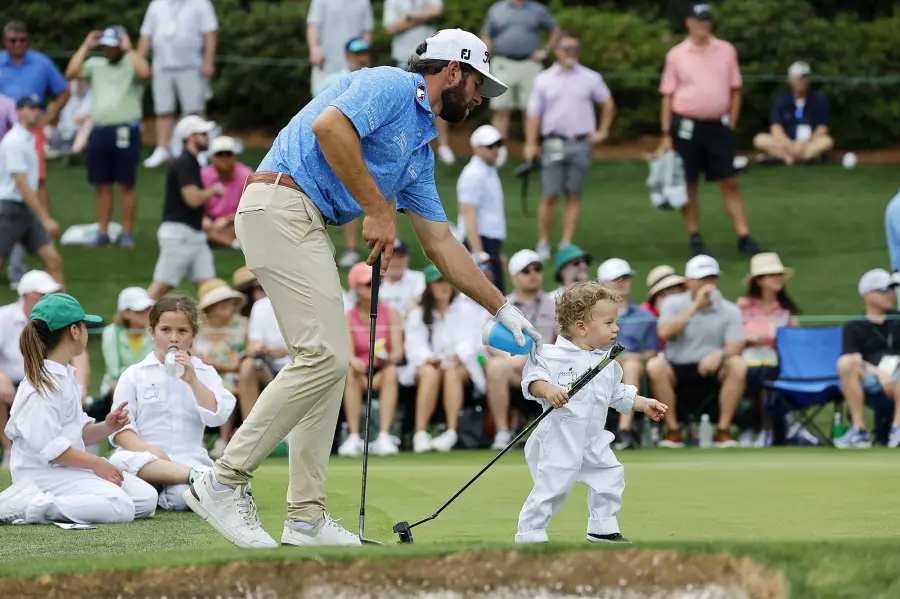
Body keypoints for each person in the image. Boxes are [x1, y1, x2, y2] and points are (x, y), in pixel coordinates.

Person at [182, 27, 540, 549]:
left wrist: (502, 307)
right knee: (324, 358)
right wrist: (376, 207)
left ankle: (305, 517)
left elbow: (441, 244)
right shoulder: (393, 85)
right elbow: (331, 127)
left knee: (329, 365)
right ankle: (223, 481)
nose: (481, 98)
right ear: (454, 71)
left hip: (300, 219)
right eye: (479, 84)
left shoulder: (419, 148)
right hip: (279, 204)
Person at [515, 281, 667, 544]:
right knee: (552, 488)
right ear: (582, 327)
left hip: (594, 438)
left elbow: (616, 394)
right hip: (560, 439)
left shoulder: (607, 363)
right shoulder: (550, 356)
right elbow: (533, 382)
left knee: (610, 475)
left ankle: (602, 526)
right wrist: (548, 390)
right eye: (609, 323)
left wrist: (643, 404)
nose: (616, 328)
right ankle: (530, 532)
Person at [0, 293, 158, 525]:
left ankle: (60, 503)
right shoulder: (41, 386)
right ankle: (30, 506)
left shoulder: (64, 376)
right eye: (84, 325)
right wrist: (97, 463)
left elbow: (76, 434)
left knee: (146, 498)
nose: (86, 331)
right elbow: (52, 451)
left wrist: (108, 425)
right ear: (75, 331)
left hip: (69, 469)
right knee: (121, 506)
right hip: (42, 477)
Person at [107, 295, 236, 511]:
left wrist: (193, 381)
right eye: (165, 330)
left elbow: (218, 416)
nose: (174, 338)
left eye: (182, 331)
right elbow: (121, 430)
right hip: (144, 460)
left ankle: (187, 483)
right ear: (152, 332)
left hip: (188, 459)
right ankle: (205, 481)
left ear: (193, 335)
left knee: (180, 499)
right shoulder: (134, 374)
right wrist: (150, 451)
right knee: (119, 462)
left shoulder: (205, 373)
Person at [656, 3, 763, 258]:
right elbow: (667, 96)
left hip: (717, 125)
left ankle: (744, 236)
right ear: (688, 23)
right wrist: (665, 133)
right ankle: (694, 237)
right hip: (686, 125)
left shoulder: (726, 51)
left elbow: (735, 88)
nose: (702, 24)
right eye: (697, 20)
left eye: (706, 20)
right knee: (689, 182)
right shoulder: (677, 55)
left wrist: (731, 123)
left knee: (729, 181)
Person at [524, 31, 616, 262]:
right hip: (554, 142)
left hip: (581, 142)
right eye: (567, 49)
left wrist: (602, 131)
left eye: (575, 49)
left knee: (574, 194)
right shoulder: (544, 79)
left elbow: (607, 103)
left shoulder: (590, 78)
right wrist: (531, 142)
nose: (572, 53)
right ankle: (543, 242)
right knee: (550, 194)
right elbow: (534, 114)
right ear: (557, 50)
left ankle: (566, 242)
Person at [646, 255, 746, 448]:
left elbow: (736, 343)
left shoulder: (729, 309)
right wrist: (695, 307)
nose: (708, 284)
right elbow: (665, 332)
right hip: (677, 368)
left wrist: (720, 354)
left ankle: (723, 431)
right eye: (703, 279)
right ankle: (673, 431)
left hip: (713, 369)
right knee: (655, 366)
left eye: (712, 278)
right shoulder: (673, 304)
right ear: (689, 282)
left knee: (738, 365)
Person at [65, 26, 150, 248]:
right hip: (100, 131)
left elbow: (145, 73)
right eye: (106, 47)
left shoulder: (131, 63)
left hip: (126, 131)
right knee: (101, 184)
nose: (109, 51)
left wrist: (129, 49)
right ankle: (103, 232)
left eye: (113, 46)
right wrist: (86, 46)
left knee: (126, 184)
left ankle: (127, 233)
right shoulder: (96, 65)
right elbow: (71, 73)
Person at [402, 264, 490, 453]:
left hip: (460, 366)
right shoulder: (418, 314)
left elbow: (474, 340)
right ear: (429, 287)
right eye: (437, 282)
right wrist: (429, 358)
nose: (443, 286)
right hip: (430, 366)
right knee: (429, 372)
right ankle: (421, 433)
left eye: (446, 282)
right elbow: (414, 347)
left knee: (451, 372)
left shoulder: (465, 309)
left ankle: (451, 432)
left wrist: (459, 354)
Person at [485, 249, 558, 450]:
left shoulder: (555, 304)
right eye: (526, 271)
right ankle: (502, 431)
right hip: (514, 368)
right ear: (514, 277)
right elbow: (491, 342)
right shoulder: (502, 306)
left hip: (548, 368)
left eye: (537, 269)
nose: (533, 274)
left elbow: (564, 341)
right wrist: (512, 360)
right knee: (495, 367)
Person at [147, 115, 223, 300]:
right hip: (179, 236)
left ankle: (212, 327)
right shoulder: (184, 163)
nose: (207, 137)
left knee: (209, 287)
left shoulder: (191, 162)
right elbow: (193, 199)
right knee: (160, 288)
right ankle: (135, 323)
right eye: (203, 134)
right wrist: (213, 190)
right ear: (190, 137)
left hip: (194, 235)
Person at [138, 0, 219, 168]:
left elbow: (210, 33)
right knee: (163, 109)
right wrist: (139, 61)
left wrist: (208, 61)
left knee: (194, 110)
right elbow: (146, 35)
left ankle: (200, 150)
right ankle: (162, 148)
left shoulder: (201, 4)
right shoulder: (156, 5)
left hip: (190, 65)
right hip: (161, 65)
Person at [315, 37, 373, 269]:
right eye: (358, 54)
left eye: (365, 53)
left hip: (369, 147)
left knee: (383, 194)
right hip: (340, 147)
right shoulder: (332, 81)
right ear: (348, 56)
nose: (362, 57)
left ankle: (387, 240)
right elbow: (317, 111)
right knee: (344, 197)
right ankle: (350, 249)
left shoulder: (376, 77)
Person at [481, 0, 561, 166]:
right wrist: (483, 59)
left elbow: (555, 29)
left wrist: (545, 50)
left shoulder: (538, 9)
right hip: (503, 62)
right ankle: (499, 150)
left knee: (531, 110)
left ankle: (531, 150)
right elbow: (487, 35)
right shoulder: (497, 9)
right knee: (501, 108)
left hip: (529, 64)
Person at [338, 262, 404, 458]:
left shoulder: (391, 313)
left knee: (392, 372)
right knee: (349, 372)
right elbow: (348, 352)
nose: (373, 288)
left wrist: (385, 358)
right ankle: (353, 436)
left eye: (376, 283)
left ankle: (384, 436)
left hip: (382, 371)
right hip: (360, 373)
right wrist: (353, 361)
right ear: (356, 287)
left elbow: (398, 353)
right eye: (368, 284)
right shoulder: (348, 316)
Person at [0, 94, 64, 286]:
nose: (35, 112)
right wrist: (44, 217)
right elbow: (22, 184)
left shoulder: (29, 138)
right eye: (30, 108)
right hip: (10, 210)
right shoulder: (15, 142)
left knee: (54, 260)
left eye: (37, 108)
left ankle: (67, 314)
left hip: (24, 210)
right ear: (18, 111)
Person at [596, 259, 659, 450]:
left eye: (625, 278)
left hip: (631, 365)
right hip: (596, 364)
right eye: (616, 279)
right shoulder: (592, 315)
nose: (622, 282)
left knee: (631, 366)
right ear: (602, 284)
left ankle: (624, 430)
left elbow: (651, 352)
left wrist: (631, 357)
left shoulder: (644, 316)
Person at [835, 269, 900, 449]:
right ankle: (860, 431)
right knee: (846, 362)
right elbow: (853, 357)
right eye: (883, 291)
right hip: (871, 379)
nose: (889, 295)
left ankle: (898, 428)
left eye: (891, 290)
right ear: (868, 295)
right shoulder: (853, 326)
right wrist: (880, 374)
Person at [383, 0, 452, 164]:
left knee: (437, 99)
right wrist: (422, 16)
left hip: (431, 58)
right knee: (405, 104)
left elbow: (437, 10)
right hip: (402, 58)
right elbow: (390, 28)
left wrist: (409, 17)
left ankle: (443, 147)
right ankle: (405, 148)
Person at [753, 61, 833, 165]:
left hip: (809, 144)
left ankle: (788, 159)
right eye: (797, 77)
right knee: (760, 139)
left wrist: (804, 144)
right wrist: (789, 145)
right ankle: (796, 158)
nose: (801, 81)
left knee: (827, 141)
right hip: (787, 144)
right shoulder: (781, 101)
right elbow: (776, 128)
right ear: (790, 80)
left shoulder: (819, 101)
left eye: (804, 77)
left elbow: (822, 129)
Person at [458, 124, 507, 292]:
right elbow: (468, 212)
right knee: (493, 298)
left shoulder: (489, 170)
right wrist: (478, 252)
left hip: (489, 243)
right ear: (476, 148)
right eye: (489, 146)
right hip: (479, 242)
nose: (495, 150)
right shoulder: (473, 174)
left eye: (498, 145)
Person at [97, 287, 156, 419]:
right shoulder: (111, 332)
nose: (146, 313)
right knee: (118, 388)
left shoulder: (155, 331)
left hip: (151, 381)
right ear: (125, 313)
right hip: (119, 383)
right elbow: (114, 371)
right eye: (140, 310)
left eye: (148, 309)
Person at [306, 0, 373, 96]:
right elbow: (313, 25)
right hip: (326, 64)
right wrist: (314, 49)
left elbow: (366, 31)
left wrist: (364, 56)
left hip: (353, 65)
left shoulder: (363, 2)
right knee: (321, 100)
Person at [201, 136, 252, 249]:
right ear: (212, 158)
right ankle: (230, 242)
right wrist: (203, 218)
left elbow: (250, 208)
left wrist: (228, 219)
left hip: (234, 220)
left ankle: (212, 237)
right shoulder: (204, 174)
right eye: (220, 155)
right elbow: (197, 201)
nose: (224, 159)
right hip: (210, 221)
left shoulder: (245, 174)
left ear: (234, 157)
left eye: (228, 154)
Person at [379, 238, 426, 317]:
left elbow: (422, 300)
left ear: (407, 259)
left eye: (400, 257)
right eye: (391, 257)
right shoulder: (371, 281)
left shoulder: (419, 278)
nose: (396, 262)